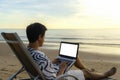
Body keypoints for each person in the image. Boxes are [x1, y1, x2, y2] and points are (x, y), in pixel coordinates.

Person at [26, 22, 117, 80]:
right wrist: (62, 69)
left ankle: (88, 71)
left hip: (48, 72)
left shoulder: (28, 52)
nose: (44, 39)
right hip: (60, 76)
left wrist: (50, 62)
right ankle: (103, 74)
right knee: (85, 73)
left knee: (73, 57)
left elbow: (42, 67)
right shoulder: (40, 56)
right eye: (44, 36)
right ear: (39, 37)